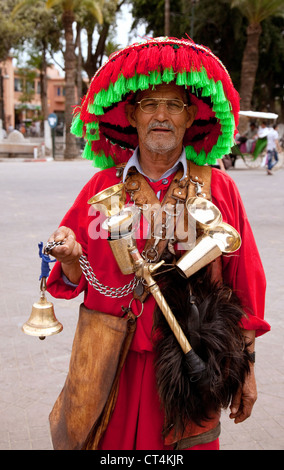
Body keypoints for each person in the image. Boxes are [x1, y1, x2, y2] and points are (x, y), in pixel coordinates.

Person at [45, 37, 270, 451]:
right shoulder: (101, 187)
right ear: (131, 115)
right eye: (150, 104)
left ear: (191, 117)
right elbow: (71, 276)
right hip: (111, 366)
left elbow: (245, 284)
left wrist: (248, 369)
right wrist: (70, 254)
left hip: (191, 365)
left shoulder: (218, 187)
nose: (161, 115)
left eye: (174, 105)